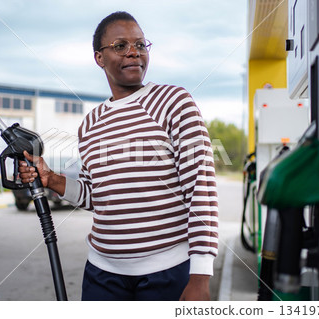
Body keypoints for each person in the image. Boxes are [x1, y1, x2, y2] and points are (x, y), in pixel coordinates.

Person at [19, 11, 219, 301]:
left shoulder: (174, 102)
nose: (133, 53)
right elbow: (95, 196)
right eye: (120, 45)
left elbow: (201, 189)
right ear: (99, 58)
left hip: (168, 271)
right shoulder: (90, 123)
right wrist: (50, 179)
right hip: (103, 274)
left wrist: (200, 275)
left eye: (140, 44)